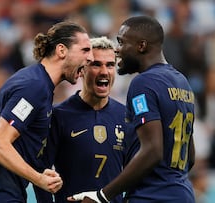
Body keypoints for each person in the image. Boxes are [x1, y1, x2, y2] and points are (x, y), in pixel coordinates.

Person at [0, 21, 94, 203]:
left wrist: (40, 172)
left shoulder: (38, 83)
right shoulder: (34, 86)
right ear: (62, 50)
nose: (91, 58)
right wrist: (39, 179)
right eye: (85, 50)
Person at [69, 15, 196, 203]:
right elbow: (190, 156)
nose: (117, 50)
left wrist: (102, 196)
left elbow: (153, 150)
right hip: (183, 193)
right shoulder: (181, 82)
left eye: (121, 42)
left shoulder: (143, 83)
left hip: (152, 196)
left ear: (141, 46)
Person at [36, 36, 137, 203]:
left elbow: (135, 173)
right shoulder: (59, 116)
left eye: (110, 65)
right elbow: (41, 171)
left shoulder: (126, 117)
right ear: (82, 69)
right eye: (96, 64)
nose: (104, 71)